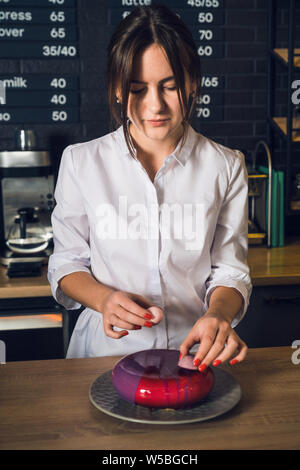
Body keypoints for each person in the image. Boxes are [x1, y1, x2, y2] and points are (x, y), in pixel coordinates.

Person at [47, 4, 252, 371]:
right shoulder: (81, 162)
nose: (154, 106)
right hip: (103, 358)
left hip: (193, 358)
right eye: (137, 90)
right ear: (115, 88)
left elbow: (230, 271)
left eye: (170, 86)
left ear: (192, 83)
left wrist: (219, 314)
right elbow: (67, 263)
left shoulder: (226, 166)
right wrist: (105, 300)